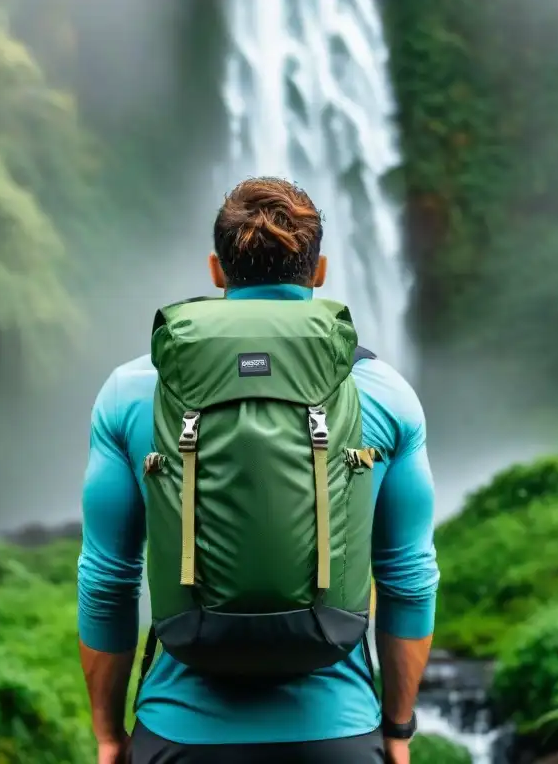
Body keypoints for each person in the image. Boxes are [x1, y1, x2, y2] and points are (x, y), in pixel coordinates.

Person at [77, 176, 439, 764]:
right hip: (337, 737)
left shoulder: (133, 390)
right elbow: (409, 578)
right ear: (318, 271)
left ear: (217, 272)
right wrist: (397, 729)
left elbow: (106, 580)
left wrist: (109, 735)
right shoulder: (383, 393)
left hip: (178, 737)